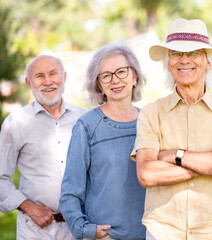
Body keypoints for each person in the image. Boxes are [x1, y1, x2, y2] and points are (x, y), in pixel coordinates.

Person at [131, 18, 212, 240]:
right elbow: (146, 174)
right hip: (163, 231)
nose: (184, 60)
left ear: (207, 61)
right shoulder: (150, 112)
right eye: (176, 53)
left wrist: (175, 156)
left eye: (193, 52)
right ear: (168, 62)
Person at [59, 44, 147, 240]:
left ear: (135, 77)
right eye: (106, 75)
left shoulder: (150, 121)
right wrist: (85, 229)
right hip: (107, 236)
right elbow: (70, 191)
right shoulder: (87, 126)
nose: (115, 80)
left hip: (149, 234)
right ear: (98, 84)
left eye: (122, 72)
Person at [0, 55, 88, 239]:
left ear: (64, 77)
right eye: (39, 76)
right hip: (33, 229)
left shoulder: (85, 119)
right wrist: (28, 206)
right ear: (28, 82)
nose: (48, 82)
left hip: (78, 227)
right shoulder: (15, 123)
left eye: (53, 74)